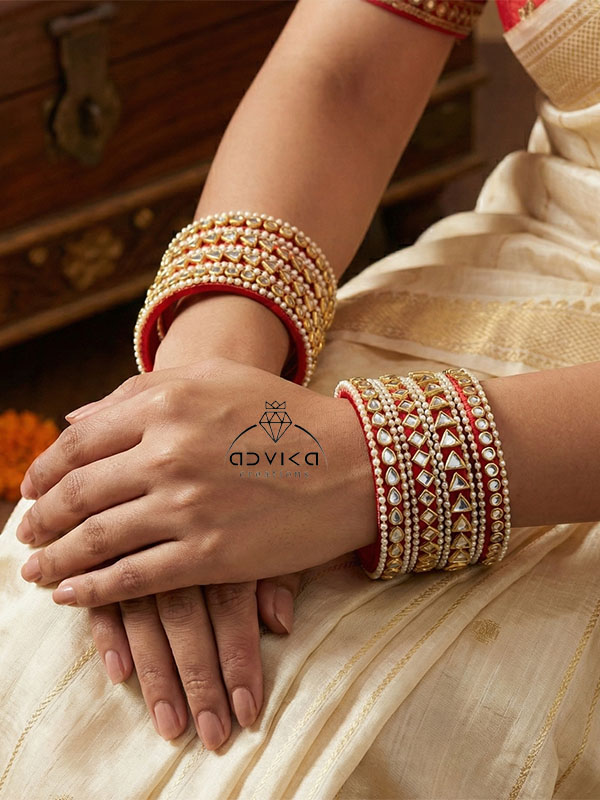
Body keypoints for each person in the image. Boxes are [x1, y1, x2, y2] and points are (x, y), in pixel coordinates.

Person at [1, 0, 600, 796]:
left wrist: (374, 465)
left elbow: (357, 468)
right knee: (62, 626)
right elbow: (342, 76)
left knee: (395, 740)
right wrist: (200, 393)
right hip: (543, 250)